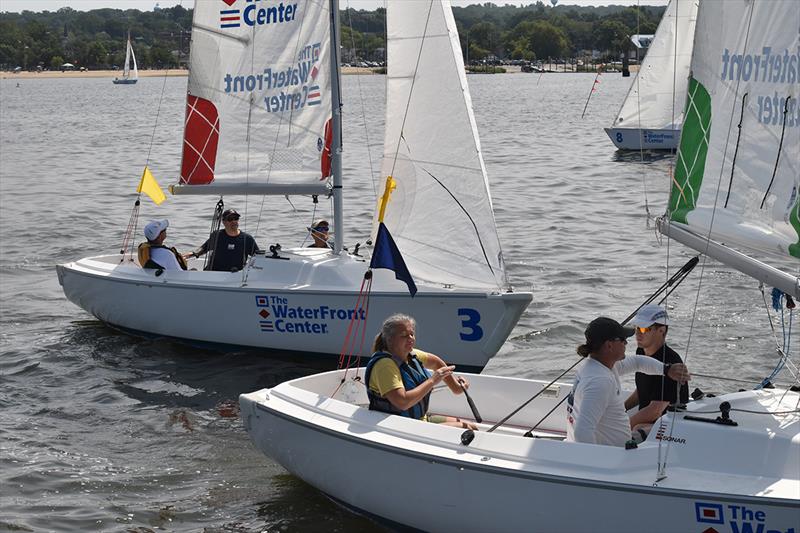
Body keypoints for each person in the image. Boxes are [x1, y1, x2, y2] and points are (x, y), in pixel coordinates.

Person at [565, 316, 690, 447]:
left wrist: (666, 369)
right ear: (609, 345)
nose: (626, 343)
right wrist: (598, 464)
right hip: (615, 458)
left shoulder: (599, 365)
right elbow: (582, 433)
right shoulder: (600, 381)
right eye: (623, 339)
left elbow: (637, 362)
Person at [364, 314, 478, 430]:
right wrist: (433, 380)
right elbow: (402, 402)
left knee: (472, 426)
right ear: (390, 339)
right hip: (400, 427)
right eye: (404, 335)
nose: (410, 338)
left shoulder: (411, 355)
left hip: (419, 419)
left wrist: (456, 387)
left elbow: (436, 362)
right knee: (469, 430)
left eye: (412, 334)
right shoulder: (385, 365)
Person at [625, 305, 689, 438]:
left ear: (661, 330)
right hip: (648, 419)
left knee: (637, 428)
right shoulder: (641, 351)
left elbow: (655, 411)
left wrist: (621, 426)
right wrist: (619, 410)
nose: (638, 333)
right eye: (637, 328)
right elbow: (641, 391)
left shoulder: (672, 363)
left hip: (669, 425)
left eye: (643, 328)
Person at [185, 209, 260, 272]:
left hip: (235, 275)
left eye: (236, 218)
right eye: (230, 219)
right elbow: (204, 248)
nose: (234, 221)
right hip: (214, 273)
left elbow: (258, 257)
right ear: (223, 222)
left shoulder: (247, 239)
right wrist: (193, 254)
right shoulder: (217, 235)